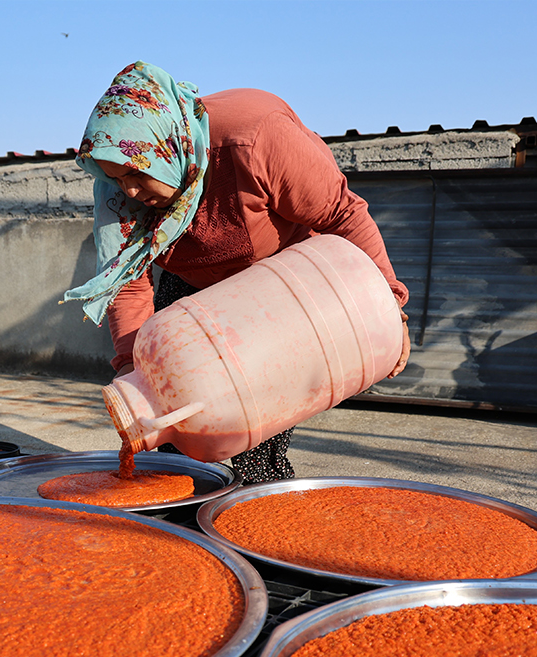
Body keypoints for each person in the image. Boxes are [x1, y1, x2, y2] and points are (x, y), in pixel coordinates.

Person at [63, 61, 411, 483]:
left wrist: (390, 305)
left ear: (166, 146)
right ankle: (183, 517)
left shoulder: (255, 139)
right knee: (175, 428)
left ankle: (256, 507)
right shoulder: (118, 192)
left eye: (137, 173)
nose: (129, 191)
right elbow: (127, 282)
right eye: (117, 179)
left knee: (254, 433)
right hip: (192, 282)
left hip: (281, 282)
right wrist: (135, 368)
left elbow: (344, 214)